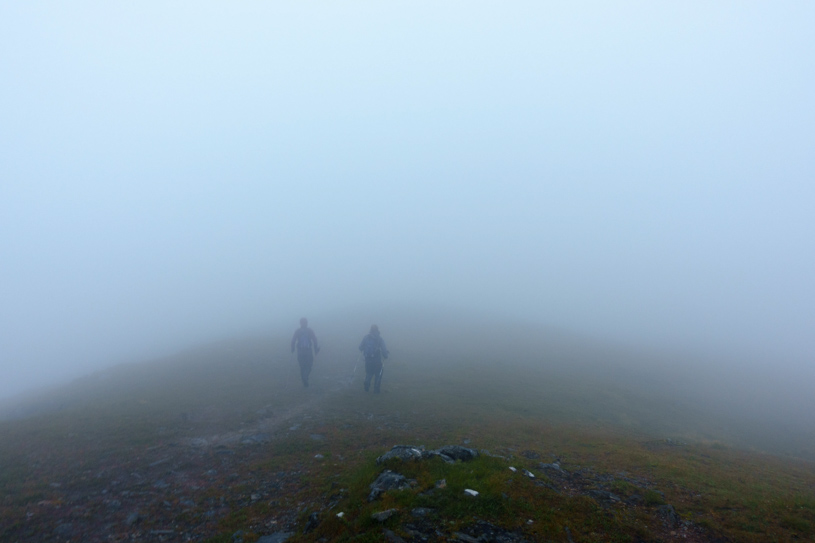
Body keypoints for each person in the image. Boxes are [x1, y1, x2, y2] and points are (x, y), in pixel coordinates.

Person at [359, 324, 389, 393]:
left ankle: (367, 383)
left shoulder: (366, 337)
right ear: (377, 330)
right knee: (378, 374)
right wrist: (386, 355)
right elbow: (384, 350)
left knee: (369, 373)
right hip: (377, 361)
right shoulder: (379, 338)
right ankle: (376, 390)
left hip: (368, 360)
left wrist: (364, 348)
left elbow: (360, 347)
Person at [291, 318, 320, 387]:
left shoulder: (297, 331)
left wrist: (293, 348)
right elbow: (314, 340)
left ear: (300, 323)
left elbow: (293, 340)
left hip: (300, 352)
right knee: (309, 365)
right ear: (306, 323)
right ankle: (305, 377)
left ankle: (304, 381)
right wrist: (316, 349)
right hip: (308, 351)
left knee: (302, 366)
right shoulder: (310, 331)